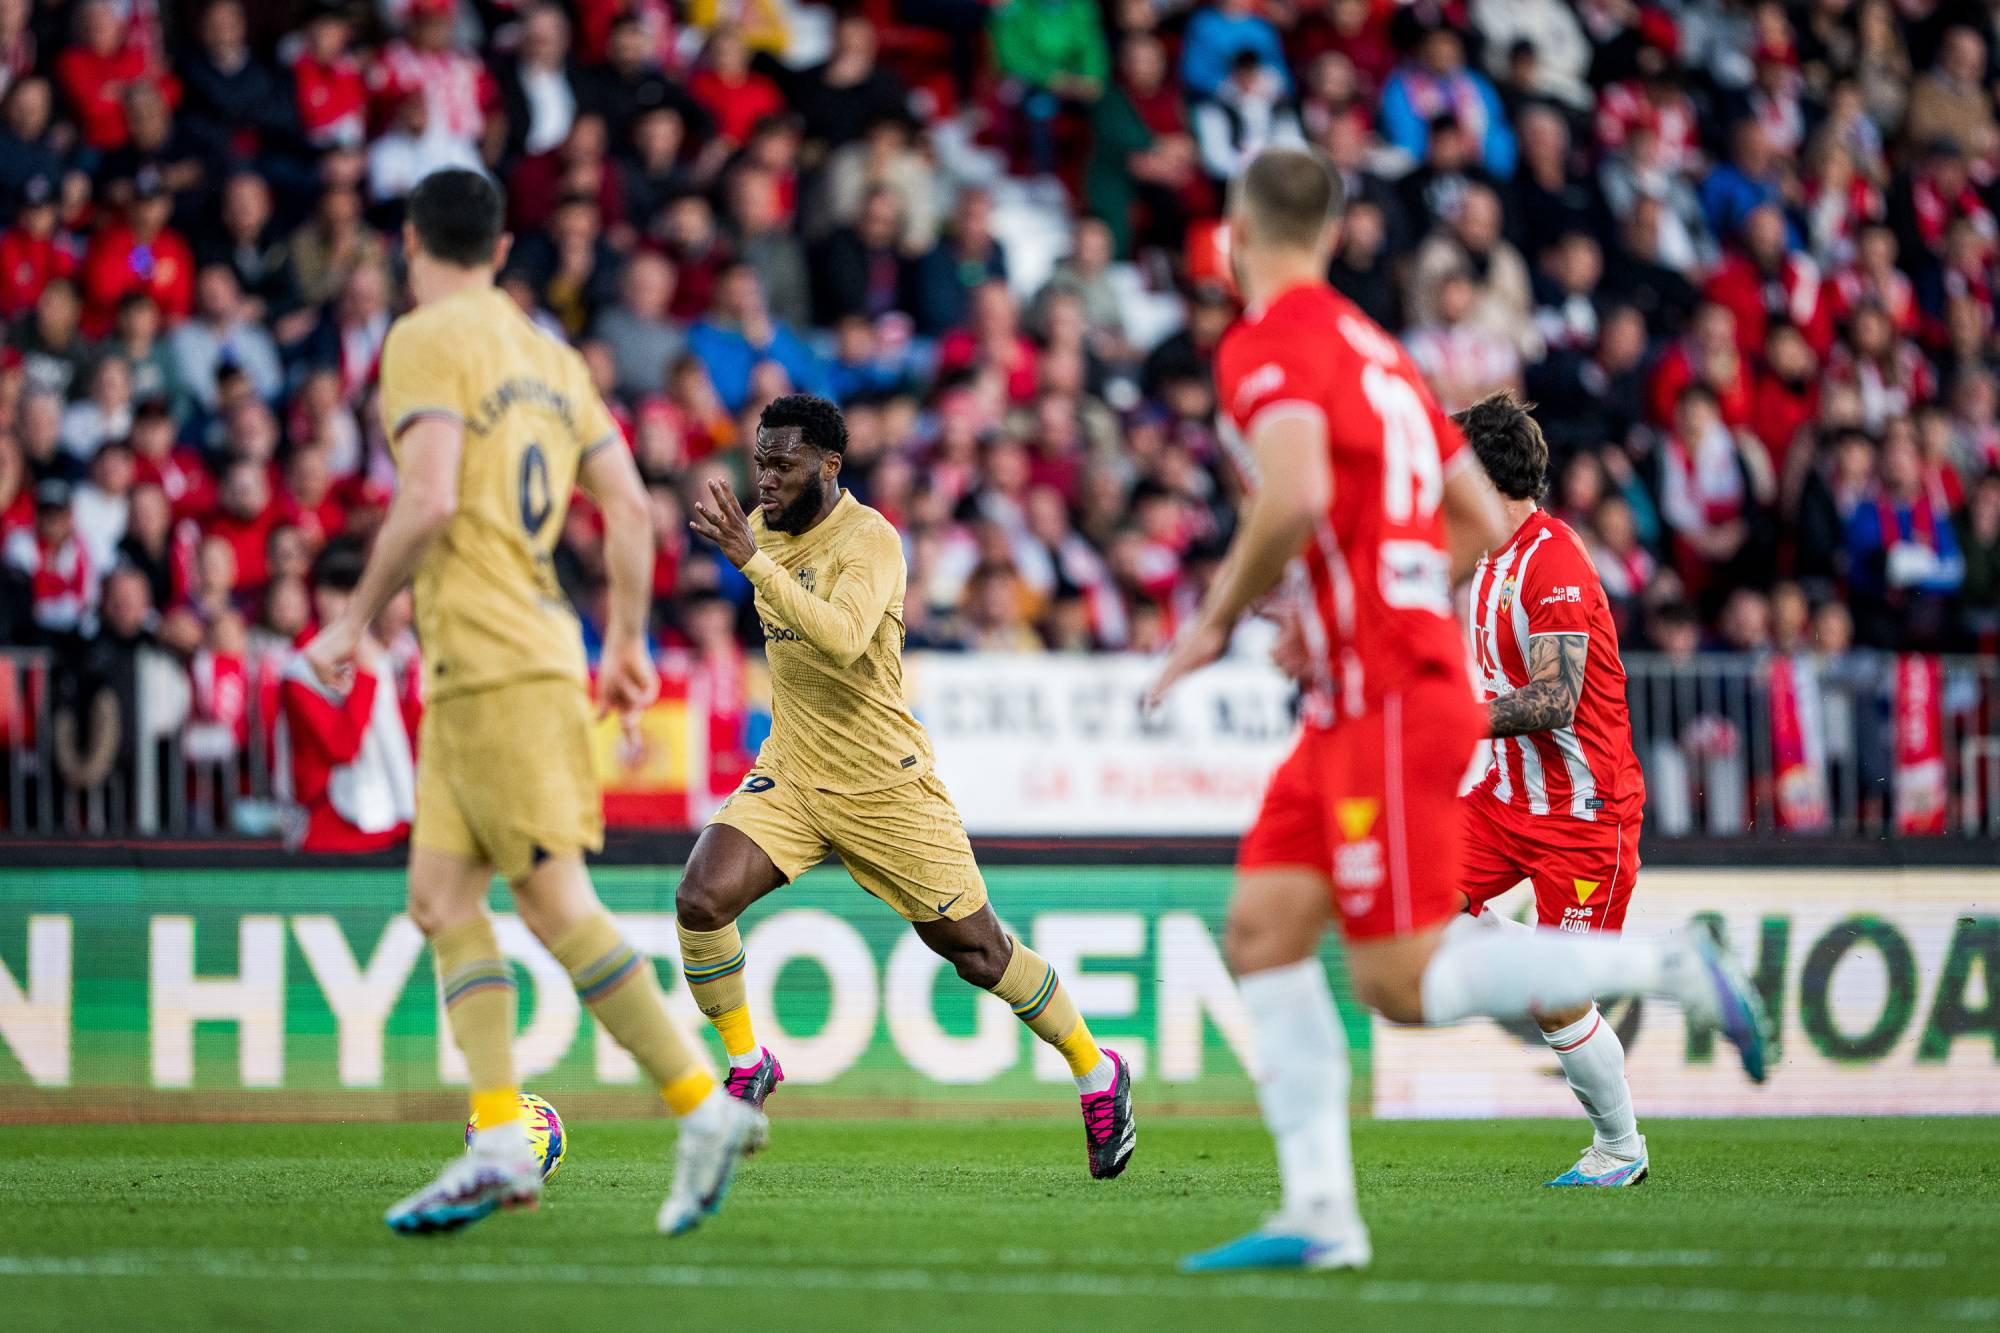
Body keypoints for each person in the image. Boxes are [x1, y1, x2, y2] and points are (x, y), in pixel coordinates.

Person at [1145, 148, 1770, 1273]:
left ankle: (1664, 963)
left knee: (1398, 980)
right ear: (1334, 236)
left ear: (1241, 231)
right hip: (1369, 694)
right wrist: (1365, 597)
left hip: (1393, 703)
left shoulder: (1263, 343)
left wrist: (1215, 622)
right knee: (1262, 931)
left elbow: (1286, 495)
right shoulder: (1374, 349)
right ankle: (1321, 1214)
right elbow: (1474, 518)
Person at [301, 169, 759, 1238]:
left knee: (553, 904)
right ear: (504, 247)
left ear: (413, 241)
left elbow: (425, 497)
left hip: (496, 661)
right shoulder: (550, 355)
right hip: (511, 659)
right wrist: (630, 640)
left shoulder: (423, 337)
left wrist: (353, 618)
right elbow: (631, 509)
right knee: (439, 898)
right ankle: (500, 1134)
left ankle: (701, 1107)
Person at [682, 393, 1137, 1180]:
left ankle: (1097, 1070)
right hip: (792, 772)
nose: (765, 478)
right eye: (759, 461)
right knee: (700, 898)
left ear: (828, 465)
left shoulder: (871, 541)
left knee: (979, 951)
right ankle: (749, 1062)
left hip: (885, 785)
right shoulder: (756, 533)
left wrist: (751, 564)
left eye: (782, 463)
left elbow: (843, 638)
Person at [1450, 393, 1652, 1186]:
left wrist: (1451, 722)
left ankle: (1621, 1148)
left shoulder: (1552, 558)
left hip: (1584, 816)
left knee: (1555, 1001)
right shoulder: (1490, 558)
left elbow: (1556, 698)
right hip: (1505, 804)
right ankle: (1520, 957)